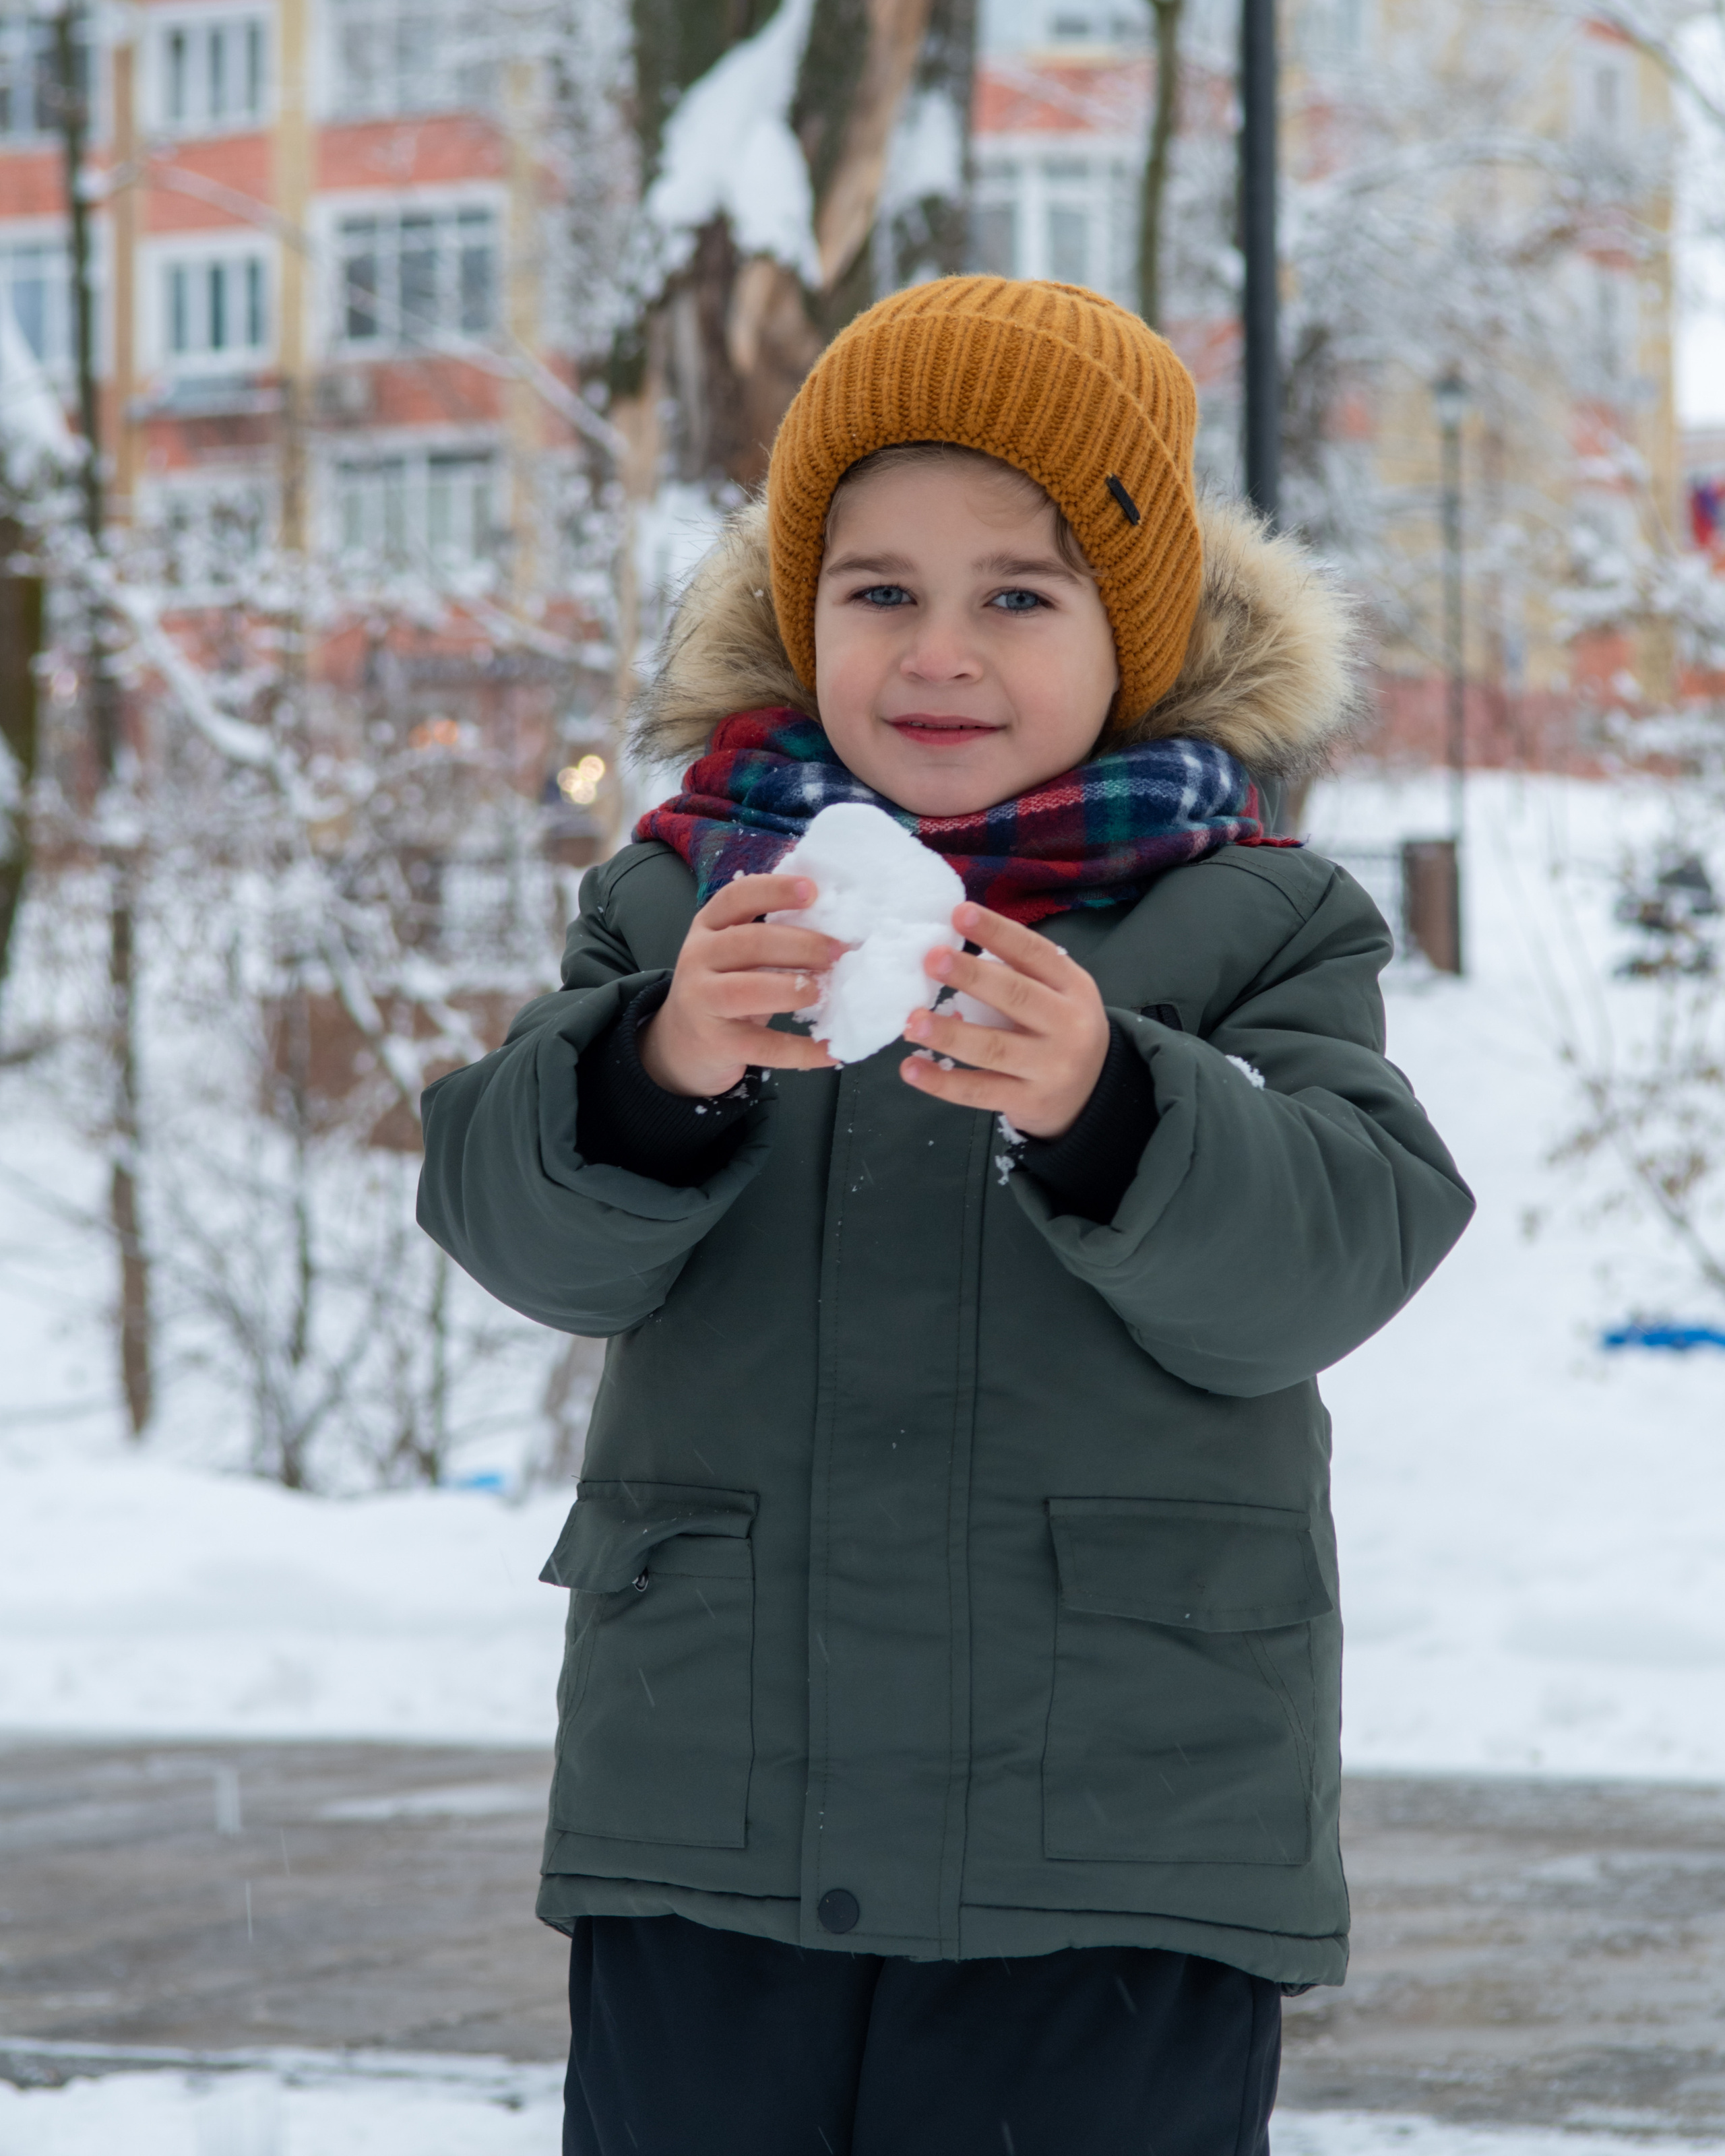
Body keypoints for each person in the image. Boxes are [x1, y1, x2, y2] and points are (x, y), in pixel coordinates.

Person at [418, 276, 1474, 2156]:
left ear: (1128, 634)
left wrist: (1118, 1104)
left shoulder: (1255, 921)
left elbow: (1333, 1257)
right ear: (803, 609)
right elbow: (522, 1231)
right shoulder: (682, 907)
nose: (941, 651)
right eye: (881, 589)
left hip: (1114, 1843)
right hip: (718, 1817)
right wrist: (658, 1066)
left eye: (1019, 594)